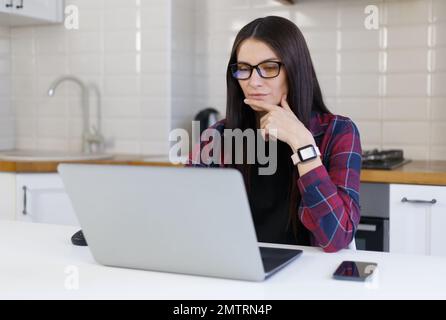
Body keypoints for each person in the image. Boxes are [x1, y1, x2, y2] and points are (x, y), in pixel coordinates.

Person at [187, 16, 362, 253]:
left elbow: (336, 237)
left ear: (294, 70)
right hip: (235, 269)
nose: (253, 81)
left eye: (269, 68)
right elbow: (186, 220)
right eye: (243, 69)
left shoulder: (339, 131)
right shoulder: (216, 136)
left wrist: (302, 143)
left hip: (308, 276)